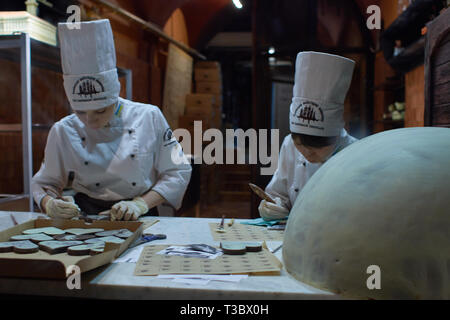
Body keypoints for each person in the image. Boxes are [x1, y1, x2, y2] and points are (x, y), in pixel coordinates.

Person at [32, 19, 192, 221]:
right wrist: (49, 202)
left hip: (140, 214)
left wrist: (141, 204)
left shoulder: (149, 117)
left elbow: (177, 172)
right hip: (86, 217)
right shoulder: (63, 129)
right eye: (80, 112)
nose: (90, 121)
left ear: (116, 96)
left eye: (100, 111)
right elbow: (44, 183)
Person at [259, 51, 358, 221]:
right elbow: (279, 192)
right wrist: (275, 206)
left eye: (315, 149)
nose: (306, 154)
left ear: (334, 138)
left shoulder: (356, 152)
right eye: (300, 146)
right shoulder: (289, 143)